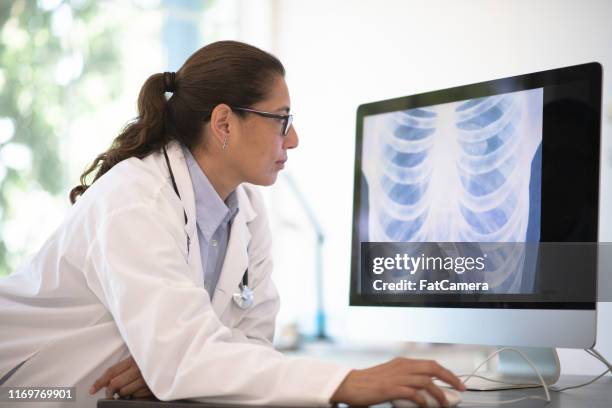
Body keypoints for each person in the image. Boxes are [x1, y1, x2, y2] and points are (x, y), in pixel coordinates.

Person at [0, 40, 465, 407]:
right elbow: (188, 357)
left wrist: (177, 361)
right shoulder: (134, 199)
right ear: (224, 123)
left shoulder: (244, 209)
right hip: (34, 390)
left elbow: (247, 345)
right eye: (282, 120)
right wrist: (344, 380)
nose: (295, 139)